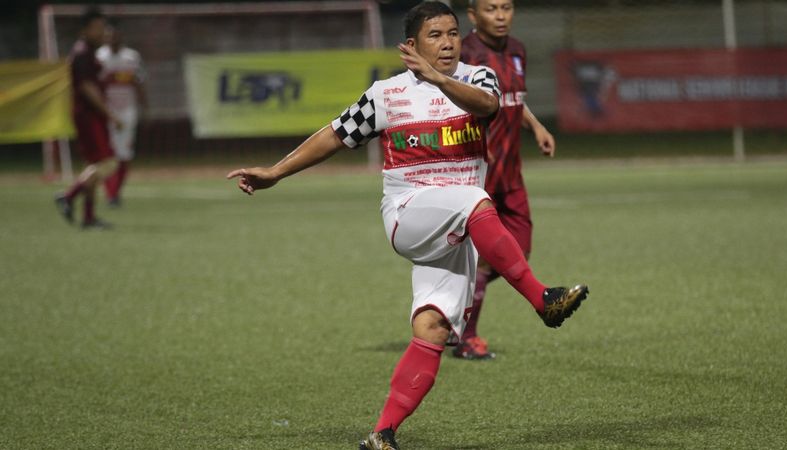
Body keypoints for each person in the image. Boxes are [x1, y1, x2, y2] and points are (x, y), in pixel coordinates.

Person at [226, 3, 588, 449]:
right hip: (409, 212)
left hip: (456, 225)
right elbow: (335, 135)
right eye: (435, 35)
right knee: (477, 198)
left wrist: (440, 80)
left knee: (433, 328)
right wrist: (276, 172)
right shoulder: (387, 94)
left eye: (453, 33)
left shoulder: (477, 77)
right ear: (411, 46)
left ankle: (381, 434)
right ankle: (542, 299)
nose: (448, 42)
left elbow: (489, 107)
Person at [454, 0, 557, 360]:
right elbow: (453, 106)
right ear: (473, 15)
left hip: (512, 173)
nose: (500, 16)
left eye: (507, 8)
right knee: (488, 257)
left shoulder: (517, 50)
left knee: (519, 252)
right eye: (491, 9)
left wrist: (536, 125)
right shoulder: (463, 53)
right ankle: (466, 336)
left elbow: (512, 99)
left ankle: (456, 304)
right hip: (479, 173)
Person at [55, 7, 122, 229]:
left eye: (104, 28)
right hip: (88, 116)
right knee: (107, 163)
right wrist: (110, 114)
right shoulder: (82, 53)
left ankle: (88, 217)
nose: (103, 32)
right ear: (85, 30)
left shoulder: (89, 52)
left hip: (91, 116)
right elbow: (87, 88)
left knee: (95, 166)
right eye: (98, 28)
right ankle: (69, 196)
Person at [97, 23, 147, 207]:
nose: (113, 39)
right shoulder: (99, 57)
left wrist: (145, 107)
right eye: (109, 36)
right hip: (105, 112)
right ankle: (110, 192)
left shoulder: (131, 57)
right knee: (106, 154)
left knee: (124, 153)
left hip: (127, 111)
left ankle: (115, 193)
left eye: (116, 36)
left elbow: (139, 83)